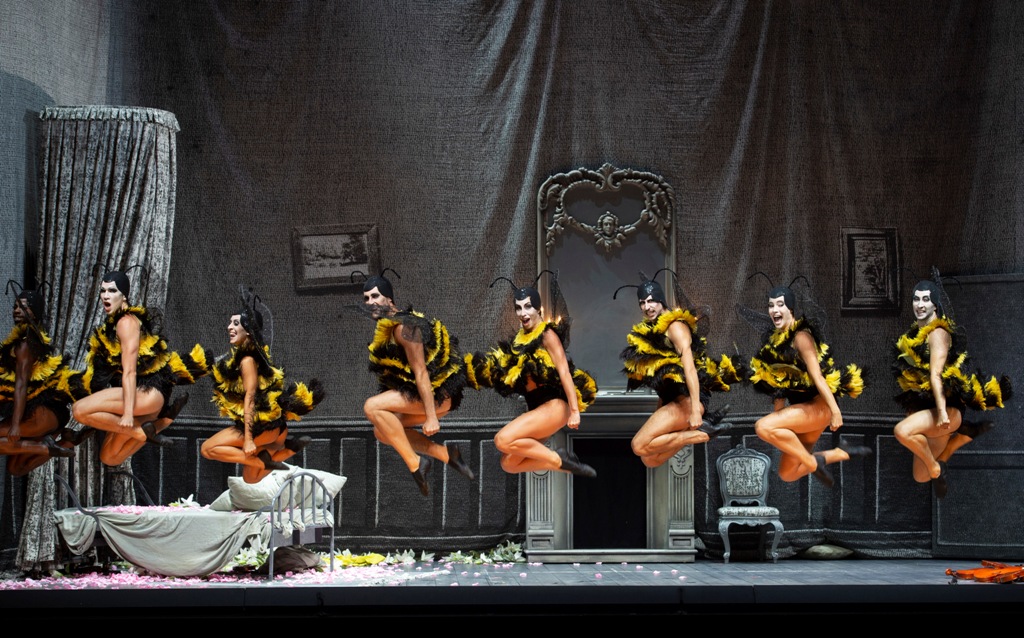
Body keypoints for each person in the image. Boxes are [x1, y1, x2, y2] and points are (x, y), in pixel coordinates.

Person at [71, 268, 210, 466]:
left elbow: (130, 371)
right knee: (109, 458)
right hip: (147, 401)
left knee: (79, 410)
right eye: (103, 291)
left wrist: (127, 413)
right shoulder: (118, 323)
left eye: (112, 291)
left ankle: (141, 432)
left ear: (124, 295)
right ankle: (161, 423)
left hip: (145, 393)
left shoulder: (125, 323)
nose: (105, 296)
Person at [891, 269, 1011, 498]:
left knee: (901, 432)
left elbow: (936, 375)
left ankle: (940, 459)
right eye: (916, 298)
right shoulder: (916, 334)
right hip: (928, 412)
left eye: (926, 299)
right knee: (920, 476)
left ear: (935, 305)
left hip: (946, 411)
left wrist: (943, 413)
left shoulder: (937, 333)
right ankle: (956, 443)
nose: (920, 304)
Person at [466, 271, 598, 477]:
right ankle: (561, 463)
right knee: (508, 463)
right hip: (538, 409)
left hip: (555, 406)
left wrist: (574, 410)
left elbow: (564, 371)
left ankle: (558, 457)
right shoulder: (519, 341)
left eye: (527, 306)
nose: (522, 312)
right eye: (518, 308)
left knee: (502, 440)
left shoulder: (547, 334)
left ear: (539, 309)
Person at [740, 276, 868, 487]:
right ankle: (839, 453)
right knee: (788, 473)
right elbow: (779, 389)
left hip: (820, 407)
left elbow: (817, 376)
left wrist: (835, 411)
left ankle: (812, 463)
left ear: (791, 309)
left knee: (761, 426)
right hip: (804, 412)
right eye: (771, 306)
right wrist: (778, 419)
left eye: (780, 305)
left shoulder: (801, 337)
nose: (774, 310)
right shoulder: (774, 342)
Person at [358, 269, 475, 496]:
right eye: (366, 298)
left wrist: (431, 417)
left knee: (371, 406)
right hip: (417, 397)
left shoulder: (404, 327)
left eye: (375, 296)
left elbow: (421, 372)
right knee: (381, 432)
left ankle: (415, 463)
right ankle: (445, 454)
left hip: (436, 396)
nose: (370, 302)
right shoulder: (388, 328)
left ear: (389, 299)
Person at [615, 270, 741, 468]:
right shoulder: (655, 331)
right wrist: (659, 412)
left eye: (651, 301)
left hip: (689, 403)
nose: (647, 307)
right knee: (649, 459)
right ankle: (696, 434)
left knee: (638, 445)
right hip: (673, 403)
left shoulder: (675, 327)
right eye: (642, 302)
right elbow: (665, 381)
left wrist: (696, 412)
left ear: (661, 301)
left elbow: (690, 370)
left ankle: (698, 434)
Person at [201, 287, 325, 484]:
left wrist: (249, 440)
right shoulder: (257, 358)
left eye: (235, 323)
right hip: (277, 430)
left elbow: (250, 397)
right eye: (230, 322)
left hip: (261, 428)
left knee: (207, 449)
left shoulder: (247, 360)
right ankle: (288, 450)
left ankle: (263, 462)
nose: (229, 327)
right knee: (251, 479)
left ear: (249, 331)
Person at [0, 282, 78, 475]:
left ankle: (44, 447)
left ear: (34, 313)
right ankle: (67, 441)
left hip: (41, 413)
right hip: (51, 415)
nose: (16, 310)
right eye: (15, 306)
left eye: (23, 307)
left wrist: (16, 424)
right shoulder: (30, 339)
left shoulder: (25, 344)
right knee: (15, 468)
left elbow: (21, 384)